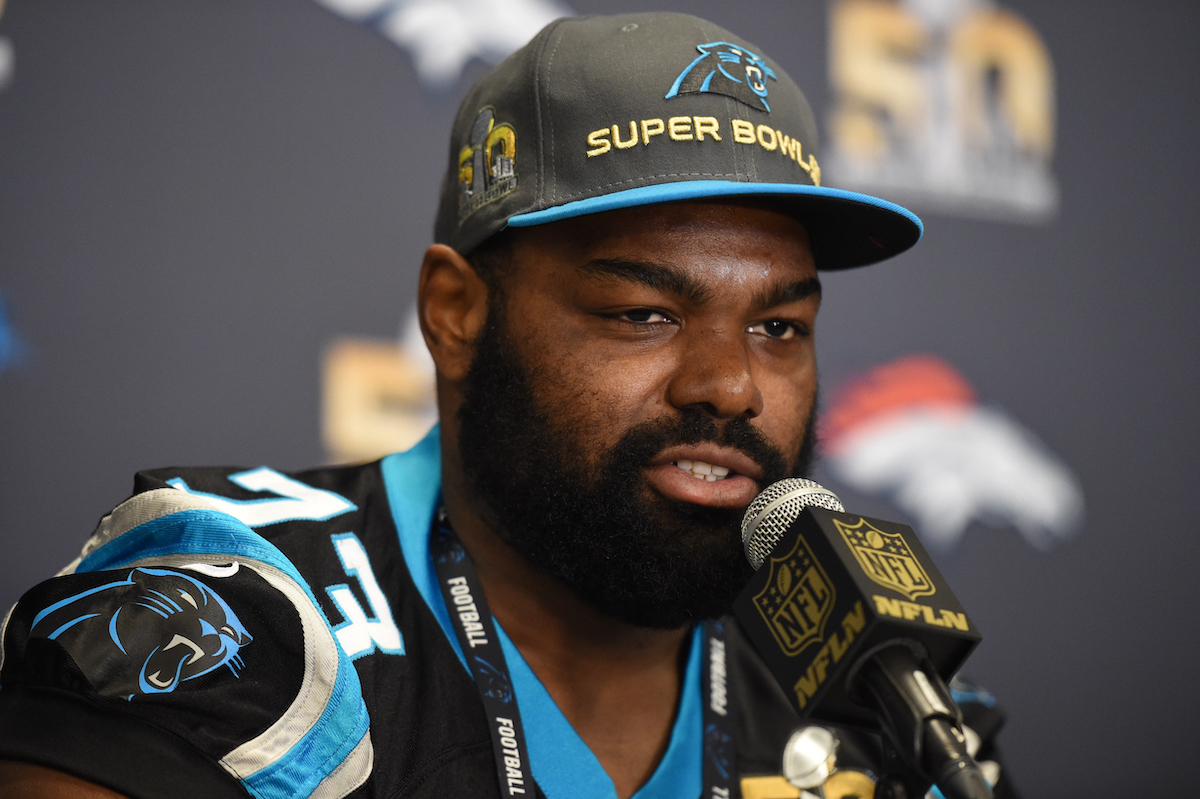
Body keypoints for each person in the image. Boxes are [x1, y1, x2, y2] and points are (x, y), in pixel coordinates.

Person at [0, 12, 1016, 799]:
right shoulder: (240, 613)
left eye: (779, 327)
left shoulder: (876, 702)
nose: (731, 384)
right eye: (645, 312)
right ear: (455, 313)